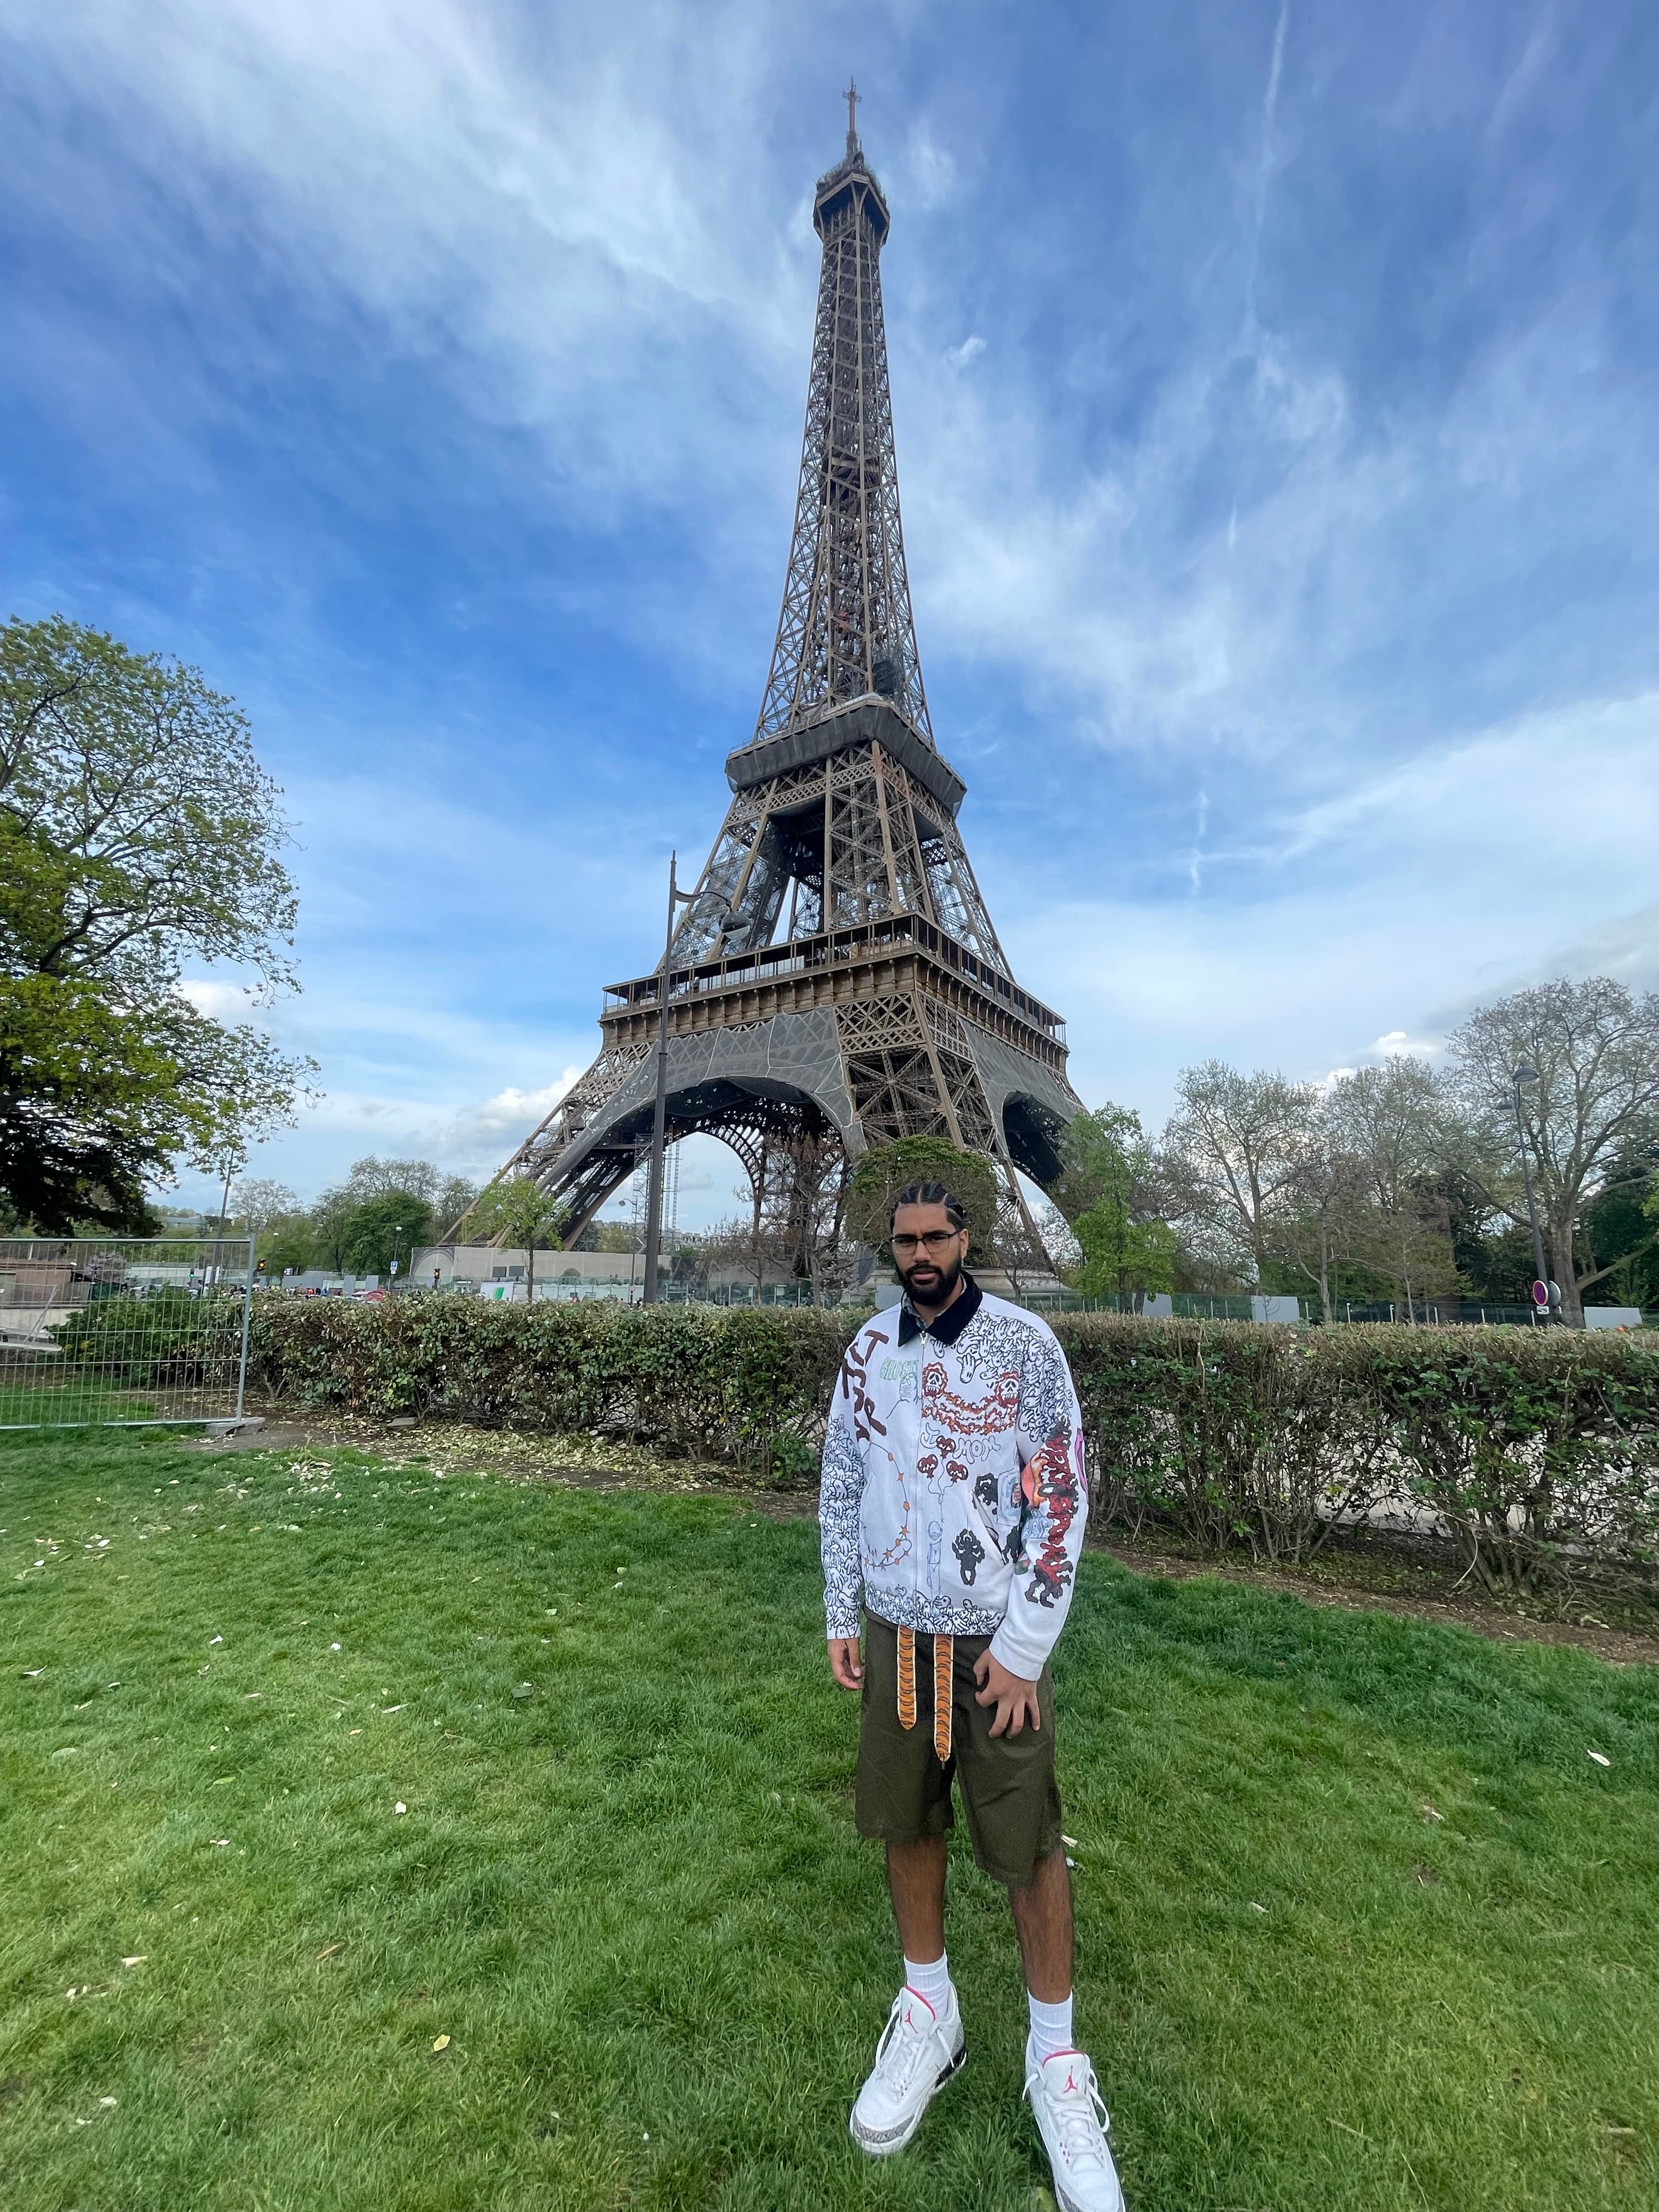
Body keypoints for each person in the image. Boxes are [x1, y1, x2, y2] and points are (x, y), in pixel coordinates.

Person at [821, 1180, 1125, 2211]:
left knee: (1027, 1841)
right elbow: (840, 1482)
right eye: (903, 1240)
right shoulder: (867, 1351)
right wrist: (837, 1609)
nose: (918, 1254)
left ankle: (1056, 2060)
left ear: (965, 1240)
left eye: (934, 1237)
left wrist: (1029, 1645)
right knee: (909, 1824)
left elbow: (1065, 1495)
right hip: (898, 1633)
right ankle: (929, 2008)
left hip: (998, 1644)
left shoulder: (1030, 1348)